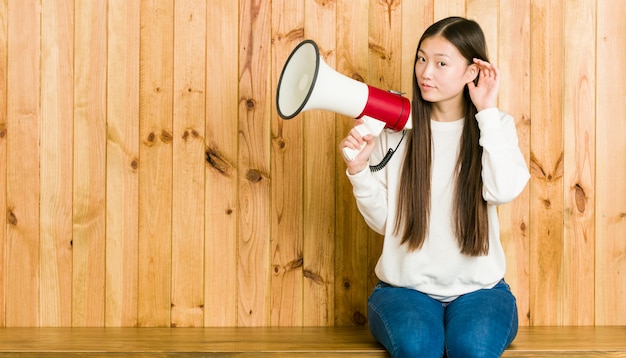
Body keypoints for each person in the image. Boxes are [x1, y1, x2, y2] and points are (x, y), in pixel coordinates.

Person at [339, 16, 530, 358]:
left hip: (481, 292)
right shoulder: (395, 130)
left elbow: (502, 191)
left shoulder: (496, 126)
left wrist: (486, 112)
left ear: (472, 72)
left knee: (473, 349)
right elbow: (386, 223)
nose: (426, 73)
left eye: (442, 63)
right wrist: (359, 170)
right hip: (404, 291)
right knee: (417, 348)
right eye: (422, 59)